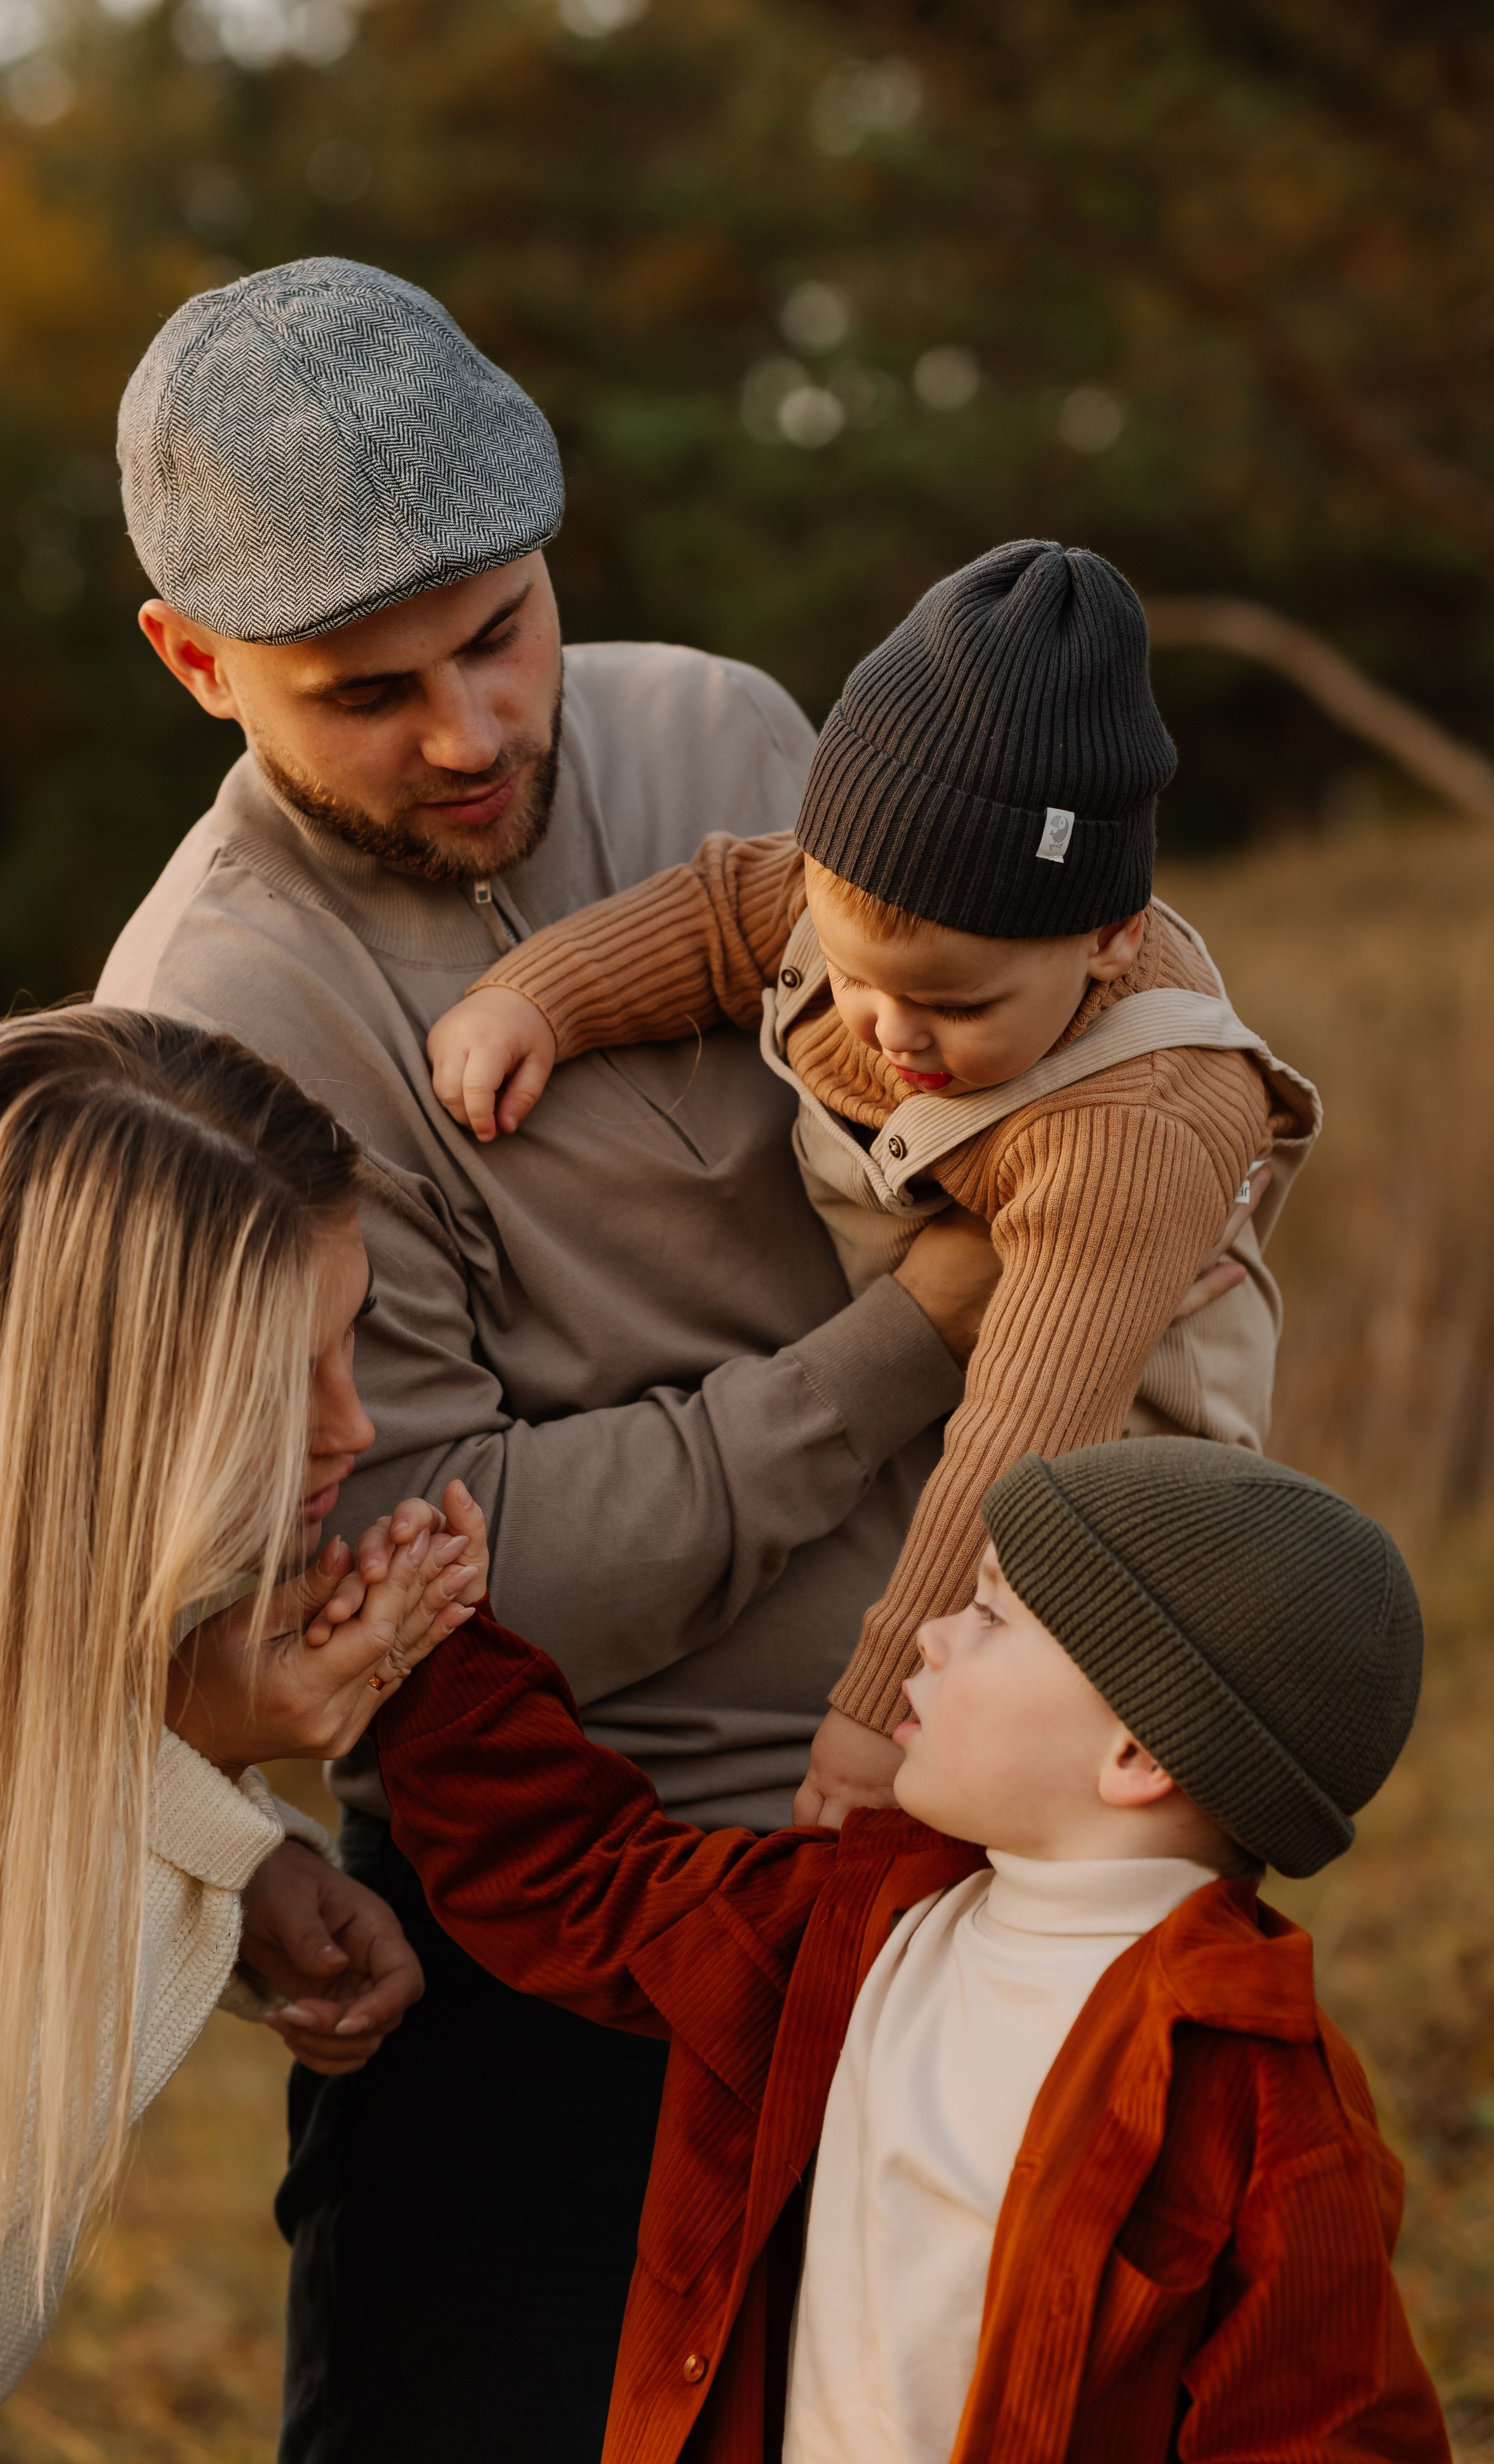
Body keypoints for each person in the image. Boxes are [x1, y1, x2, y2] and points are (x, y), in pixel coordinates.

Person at [99, 261, 1254, 2463]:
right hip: (577, 1921)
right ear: (193, 662)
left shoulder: (732, 733)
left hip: (994, 1839)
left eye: (501, 632)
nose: (470, 731)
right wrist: (928, 1325)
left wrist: (1136, 1179)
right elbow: (440, 1581)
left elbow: (1027, 1020)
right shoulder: (211, 1028)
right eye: (366, 690)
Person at [425, 538, 1319, 1827]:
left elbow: (1024, 1452)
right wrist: (538, 995)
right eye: (854, 976)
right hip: (948, 1385)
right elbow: (718, 913)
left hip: (1102, 1459)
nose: (891, 1032)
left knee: (1060, 1791)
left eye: (956, 1004)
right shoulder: (845, 900)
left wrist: (880, 1712)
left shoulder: (1136, 1120)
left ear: (1110, 941)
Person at [372, 1436, 1449, 2464]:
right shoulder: (868, 1915)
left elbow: (1320, 2433)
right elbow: (590, 1879)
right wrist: (431, 1650)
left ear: (1134, 1751)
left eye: (990, 1612)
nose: (931, 1634)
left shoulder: (1259, 2096)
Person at [0, 1009, 483, 2464]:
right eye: (285, 1382)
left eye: (351, 1341)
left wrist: (245, 1856)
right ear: (104, 1399)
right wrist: (200, 1750)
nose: (354, 1424)